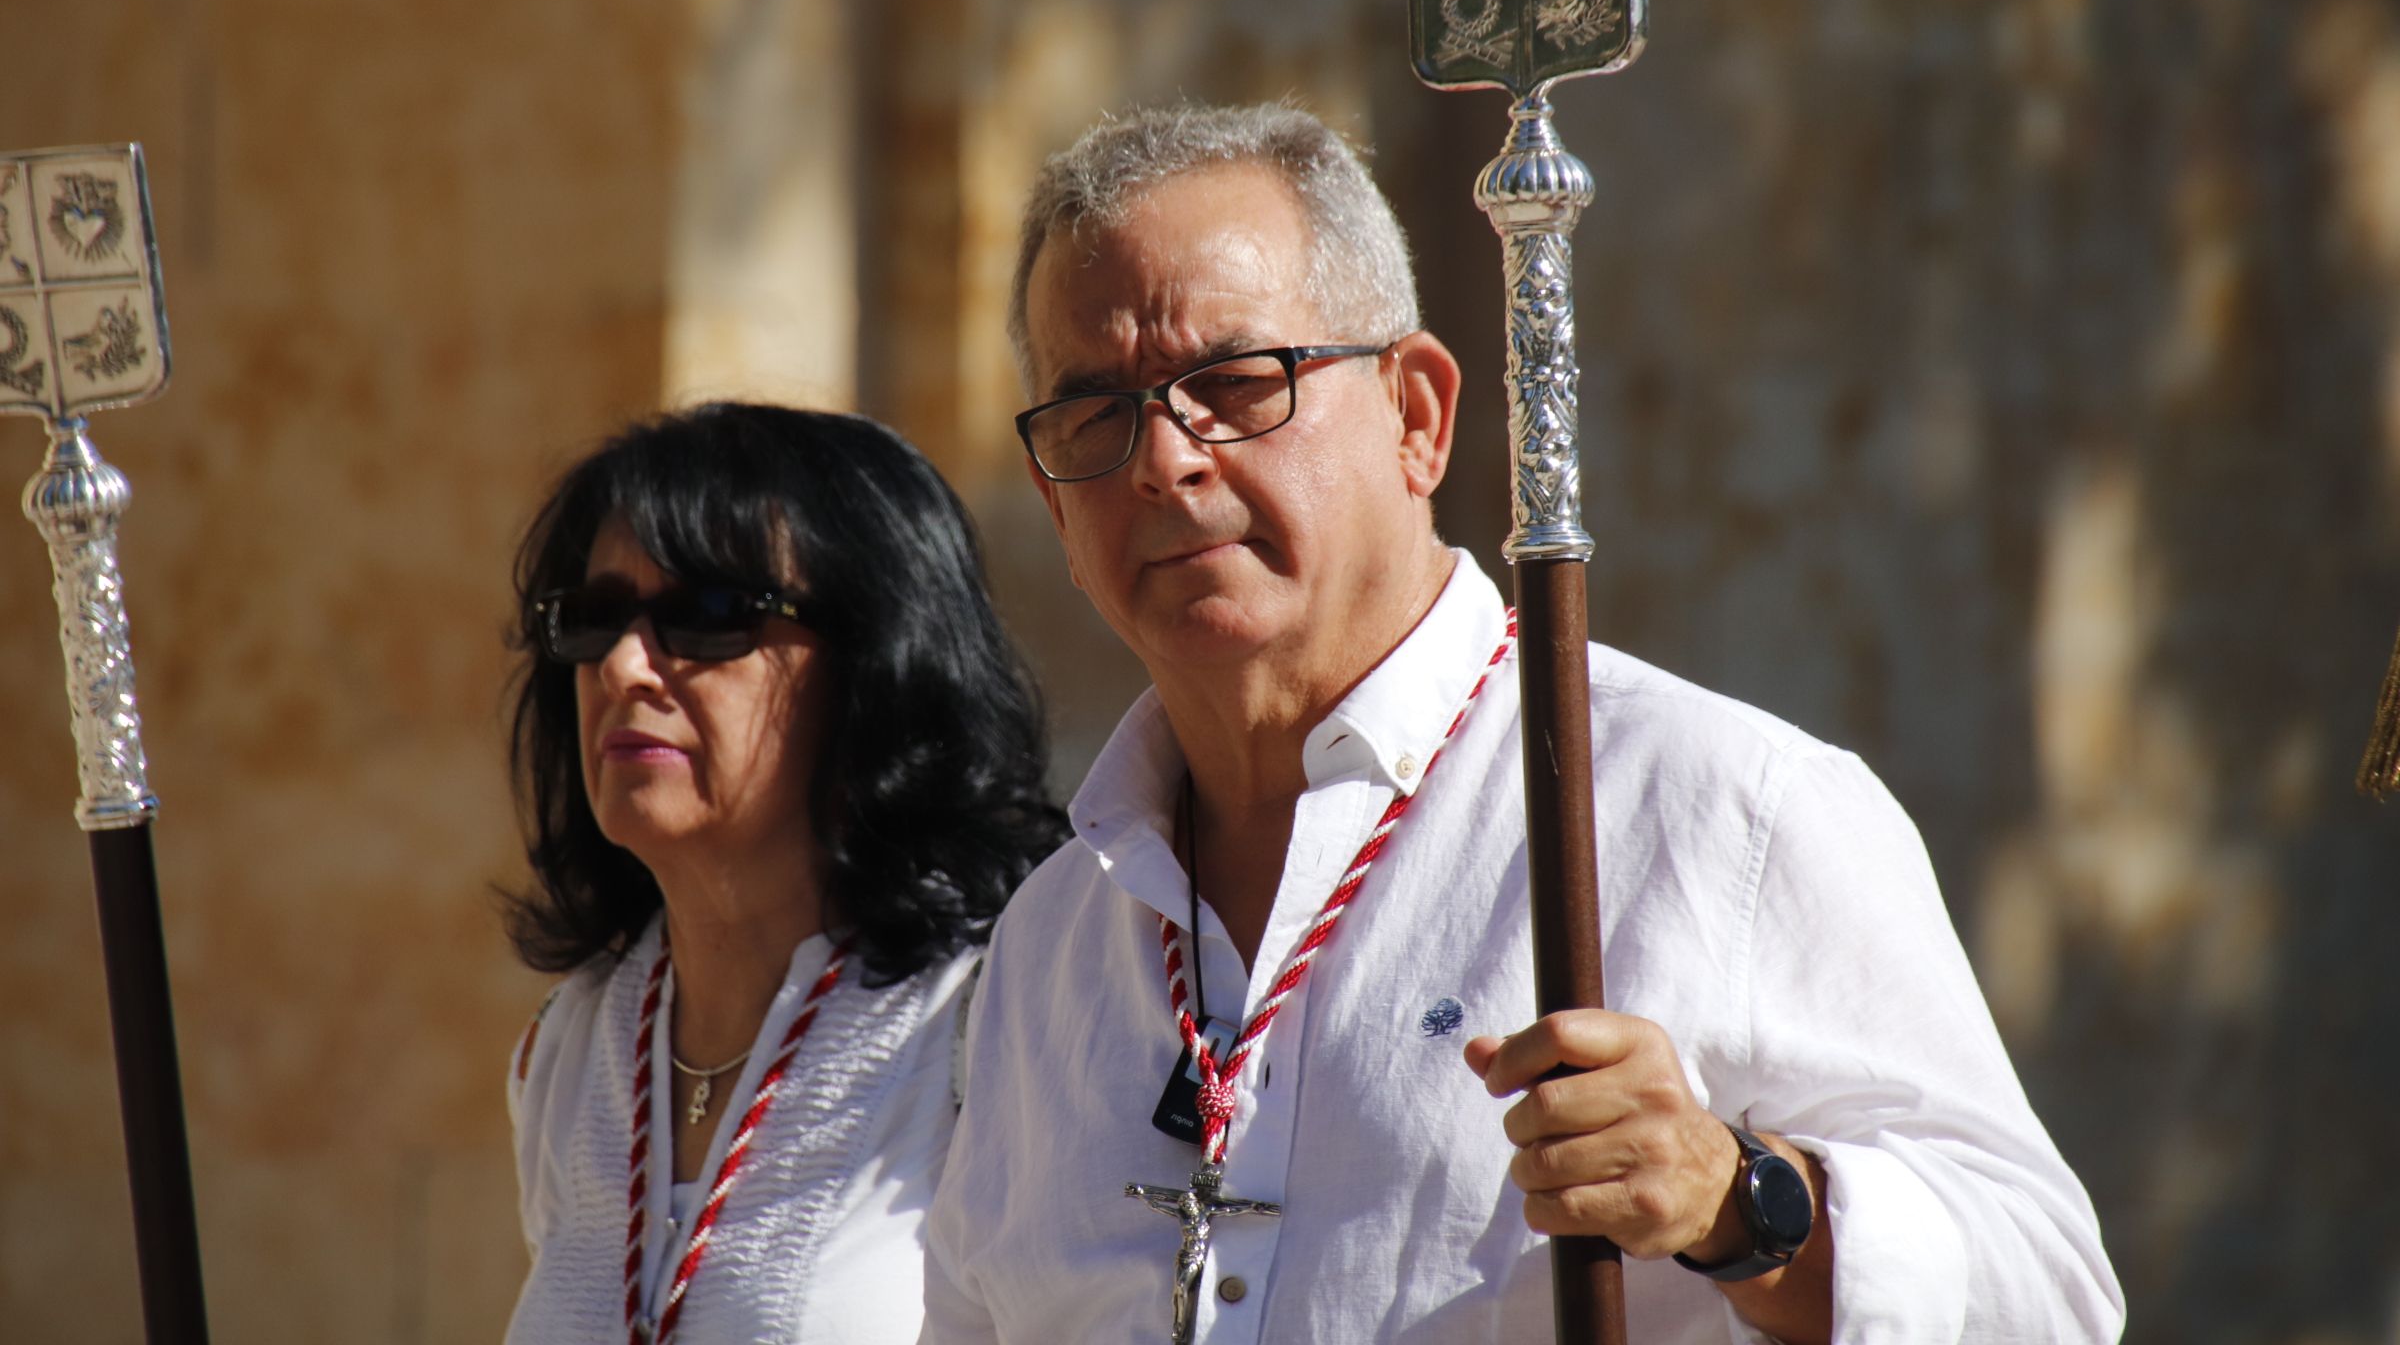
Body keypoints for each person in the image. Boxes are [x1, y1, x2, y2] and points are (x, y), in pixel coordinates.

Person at [918, 103, 2125, 1343]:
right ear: (1054, 509)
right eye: (1093, 418)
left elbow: (2052, 1303)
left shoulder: (1718, 805)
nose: (1163, 460)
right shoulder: (1050, 945)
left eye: (1234, 384)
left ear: (1418, 414)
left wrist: (1740, 1203)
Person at [499, 403, 1064, 1345]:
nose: (628, 667)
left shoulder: (1000, 1030)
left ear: (876, 665)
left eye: (710, 616)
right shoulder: (569, 1052)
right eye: (596, 621)